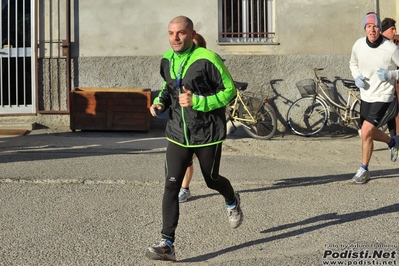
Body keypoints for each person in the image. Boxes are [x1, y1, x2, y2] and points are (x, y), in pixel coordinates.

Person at [146, 16, 243, 261]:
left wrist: (198, 101)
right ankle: (167, 244)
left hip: (207, 133)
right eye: (171, 33)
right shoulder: (167, 60)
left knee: (211, 179)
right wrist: (159, 102)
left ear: (191, 34)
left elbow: (229, 91)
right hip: (178, 133)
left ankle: (231, 199)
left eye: (180, 33)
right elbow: (169, 89)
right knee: (171, 184)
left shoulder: (208, 59)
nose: (175, 38)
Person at [349, 12, 399, 184]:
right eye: (369, 26)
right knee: (365, 134)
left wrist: (391, 73)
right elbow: (353, 63)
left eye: (375, 26)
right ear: (365, 29)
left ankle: (364, 170)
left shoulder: (391, 48)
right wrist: (356, 76)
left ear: (380, 29)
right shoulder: (358, 45)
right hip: (366, 95)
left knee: (366, 131)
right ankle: (392, 141)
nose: (372, 29)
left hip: (383, 96)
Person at [178, 32, 207, 203]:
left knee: (211, 173)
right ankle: (184, 188)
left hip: (203, 121)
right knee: (185, 157)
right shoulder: (181, 65)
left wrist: (196, 99)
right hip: (184, 120)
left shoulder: (208, 67)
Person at [381, 18, 399, 136]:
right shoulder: (376, 45)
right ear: (384, 31)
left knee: (393, 115)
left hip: (392, 88)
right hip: (378, 89)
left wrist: (391, 74)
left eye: (395, 29)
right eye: (392, 29)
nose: (394, 32)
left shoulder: (394, 47)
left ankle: (394, 142)